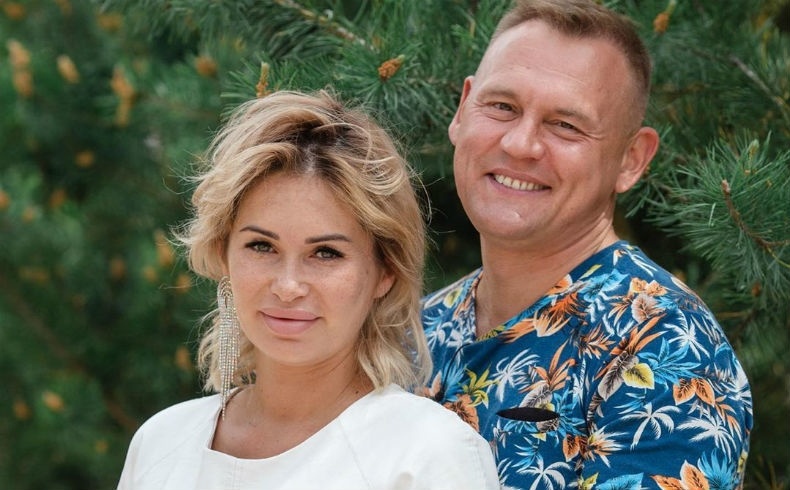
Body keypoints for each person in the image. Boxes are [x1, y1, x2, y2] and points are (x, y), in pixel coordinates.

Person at [420, 0, 753, 488]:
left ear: (631, 160)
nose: (520, 144)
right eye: (502, 107)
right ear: (462, 110)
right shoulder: (414, 330)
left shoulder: (664, 346)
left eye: (566, 125)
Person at [117, 90, 500, 490]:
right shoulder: (161, 443)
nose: (288, 287)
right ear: (222, 253)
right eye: (262, 246)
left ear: (385, 271)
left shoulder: (428, 456)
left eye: (326, 253)